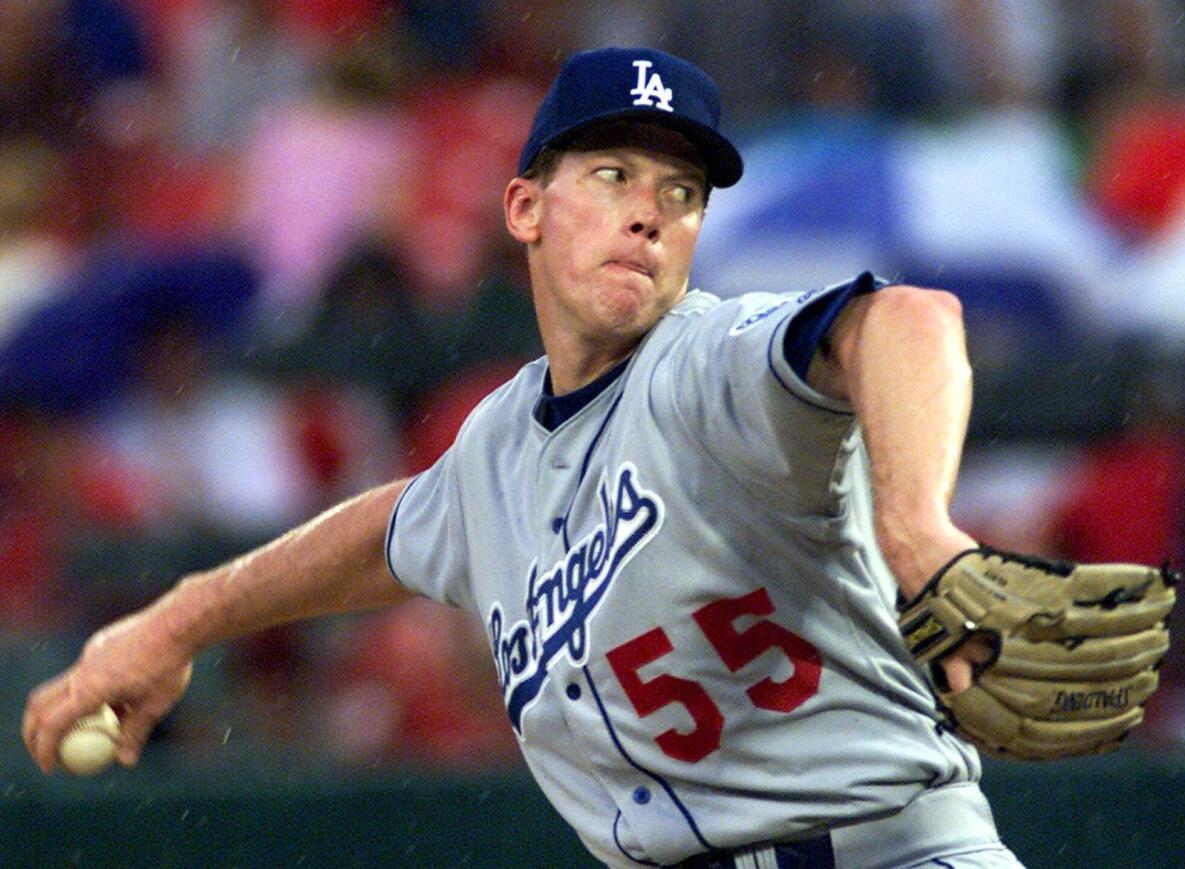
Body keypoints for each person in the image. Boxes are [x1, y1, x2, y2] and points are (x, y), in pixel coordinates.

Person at [26, 47, 1020, 867]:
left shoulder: (714, 362)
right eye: (610, 175)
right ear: (525, 210)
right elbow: (388, 530)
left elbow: (904, 319)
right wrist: (175, 621)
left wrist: (915, 523)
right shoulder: (495, 448)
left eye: (680, 190)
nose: (648, 210)